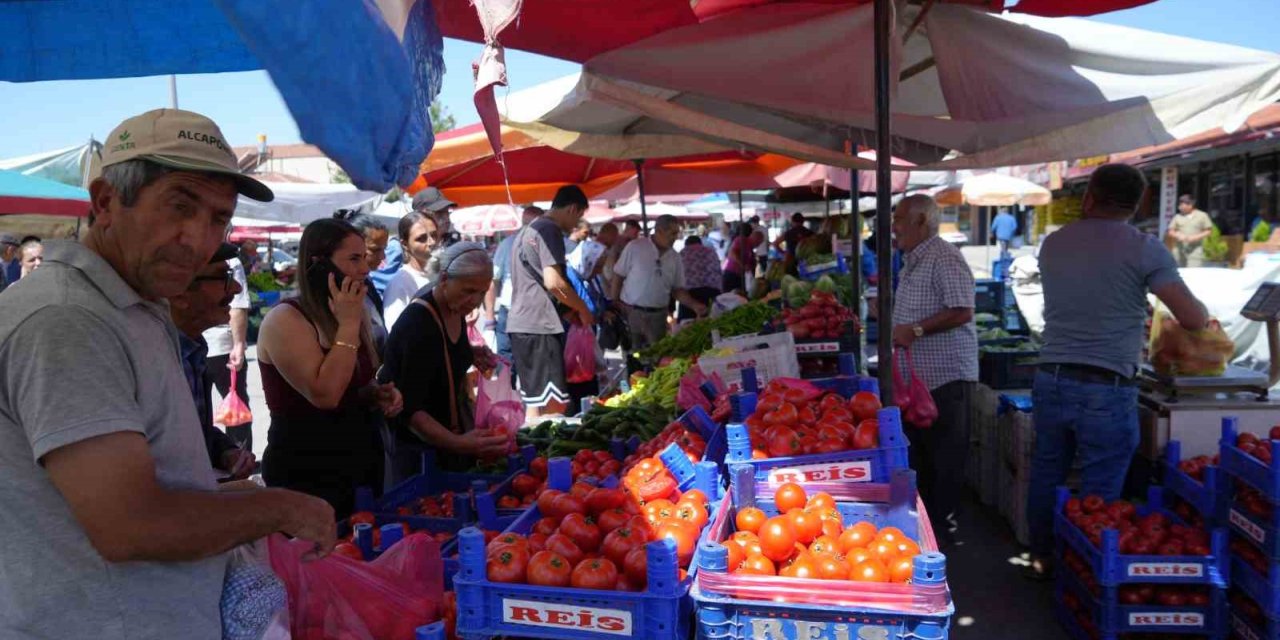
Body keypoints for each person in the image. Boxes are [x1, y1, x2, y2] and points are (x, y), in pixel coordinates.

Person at [0, 108, 335, 639]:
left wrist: (234, 496)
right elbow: (130, 526)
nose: (198, 239)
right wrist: (277, 507)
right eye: (180, 207)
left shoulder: (134, 304)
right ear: (106, 202)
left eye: (219, 219)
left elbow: (146, 486)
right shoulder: (66, 320)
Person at [1025, 164, 1210, 580]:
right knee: (1100, 487)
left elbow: (1086, 292)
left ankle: (1042, 556)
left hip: (1051, 376)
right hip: (1106, 387)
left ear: (1089, 195)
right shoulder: (1144, 248)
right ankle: (1083, 574)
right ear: (1139, 202)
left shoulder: (1054, 244)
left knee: (1048, 470)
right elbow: (1193, 317)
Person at [256, 218, 404, 518]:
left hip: (358, 462)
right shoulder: (286, 319)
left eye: (364, 258)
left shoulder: (352, 311)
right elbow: (325, 394)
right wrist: (349, 325)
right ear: (319, 264)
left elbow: (351, 383)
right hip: (307, 472)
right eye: (353, 259)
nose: (365, 269)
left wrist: (373, 393)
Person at [889, 194, 978, 545]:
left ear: (921, 221)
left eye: (898, 219)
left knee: (945, 457)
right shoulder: (913, 259)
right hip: (919, 381)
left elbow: (963, 309)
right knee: (923, 455)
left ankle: (945, 532)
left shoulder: (944, 257)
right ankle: (927, 528)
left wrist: (916, 329)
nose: (893, 227)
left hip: (945, 377)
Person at [380, 242, 508, 482]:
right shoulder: (418, 324)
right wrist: (459, 443)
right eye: (468, 290)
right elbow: (411, 409)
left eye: (482, 292)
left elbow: (440, 356)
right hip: (420, 456)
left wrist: (470, 352)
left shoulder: (453, 308)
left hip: (447, 446)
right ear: (445, 278)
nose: (475, 300)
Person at [173, 242, 258, 479]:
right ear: (180, 292)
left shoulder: (193, 348)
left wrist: (225, 451)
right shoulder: (153, 357)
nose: (236, 287)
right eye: (223, 277)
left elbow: (197, 433)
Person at [508, 185, 593, 417]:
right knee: (554, 407)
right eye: (579, 216)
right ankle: (547, 452)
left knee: (535, 405)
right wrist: (582, 308)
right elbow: (554, 283)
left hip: (524, 325)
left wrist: (567, 311)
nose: (577, 224)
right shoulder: (549, 230)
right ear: (573, 209)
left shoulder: (529, 230)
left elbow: (533, 282)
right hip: (539, 326)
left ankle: (536, 452)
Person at [612, 214, 709, 349]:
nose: (675, 237)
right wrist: (614, 301)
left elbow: (677, 290)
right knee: (634, 355)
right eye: (672, 233)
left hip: (658, 315)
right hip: (632, 313)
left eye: (677, 233)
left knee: (657, 355)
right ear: (659, 231)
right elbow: (618, 274)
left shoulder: (675, 257)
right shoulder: (635, 247)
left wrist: (694, 305)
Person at [201, 235, 253, 450]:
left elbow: (238, 305)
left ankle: (237, 459)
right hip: (220, 346)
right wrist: (239, 344)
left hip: (219, 346)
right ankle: (237, 458)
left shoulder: (229, 259)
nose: (234, 289)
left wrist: (238, 344)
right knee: (233, 410)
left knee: (230, 409)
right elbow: (238, 306)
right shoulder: (230, 259)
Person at [487, 205, 543, 365]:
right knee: (507, 360)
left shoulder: (543, 245)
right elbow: (492, 280)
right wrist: (490, 319)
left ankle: (518, 389)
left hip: (533, 313)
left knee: (528, 362)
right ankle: (510, 389)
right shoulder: (508, 244)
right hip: (512, 311)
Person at [337, 210, 392, 356]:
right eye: (375, 250)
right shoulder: (338, 294)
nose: (383, 256)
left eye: (384, 249)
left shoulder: (366, 283)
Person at [383, 210, 443, 330]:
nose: (432, 242)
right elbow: (397, 334)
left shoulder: (443, 274)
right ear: (405, 244)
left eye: (434, 235)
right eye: (421, 238)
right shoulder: (399, 283)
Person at [679, 235, 722, 320]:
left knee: (688, 325)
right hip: (712, 291)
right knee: (713, 322)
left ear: (686, 244)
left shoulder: (682, 253)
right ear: (700, 243)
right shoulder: (711, 252)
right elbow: (718, 272)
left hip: (689, 295)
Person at [1167, 194, 1214, 268]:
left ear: (1190, 205)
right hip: (1179, 250)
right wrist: (1177, 235)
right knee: (1179, 273)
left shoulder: (1202, 215)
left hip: (1195, 250)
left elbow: (1209, 231)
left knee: (1193, 272)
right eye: (1180, 204)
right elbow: (1170, 231)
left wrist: (1195, 237)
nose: (1181, 207)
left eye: (1183, 204)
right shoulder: (1177, 217)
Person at [722, 222, 760, 294]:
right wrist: (742, 265)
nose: (758, 245)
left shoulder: (748, 244)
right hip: (732, 274)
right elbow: (732, 253)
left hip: (740, 275)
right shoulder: (740, 239)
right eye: (758, 242)